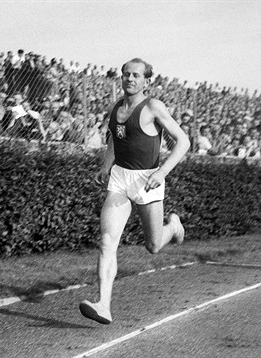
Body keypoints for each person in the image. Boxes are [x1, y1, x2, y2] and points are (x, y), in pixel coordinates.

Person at [79, 58, 190, 324]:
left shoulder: (153, 107)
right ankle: (104, 305)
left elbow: (183, 142)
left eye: (136, 75)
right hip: (120, 179)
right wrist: (105, 166)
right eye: (126, 74)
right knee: (107, 241)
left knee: (152, 245)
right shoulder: (115, 107)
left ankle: (173, 227)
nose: (130, 79)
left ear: (146, 81)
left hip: (147, 180)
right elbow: (114, 140)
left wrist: (161, 172)